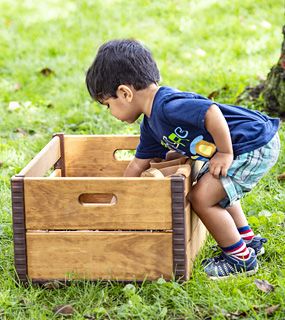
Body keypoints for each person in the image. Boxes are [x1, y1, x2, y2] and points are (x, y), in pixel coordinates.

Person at [85, 39, 280, 279]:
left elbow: (212, 112)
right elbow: (139, 163)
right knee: (214, 184)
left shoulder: (168, 105)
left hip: (252, 143)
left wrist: (224, 152)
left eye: (107, 105)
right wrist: (120, 196)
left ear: (124, 93)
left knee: (202, 197)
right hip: (245, 143)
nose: (110, 112)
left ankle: (240, 259)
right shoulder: (151, 125)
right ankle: (248, 240)